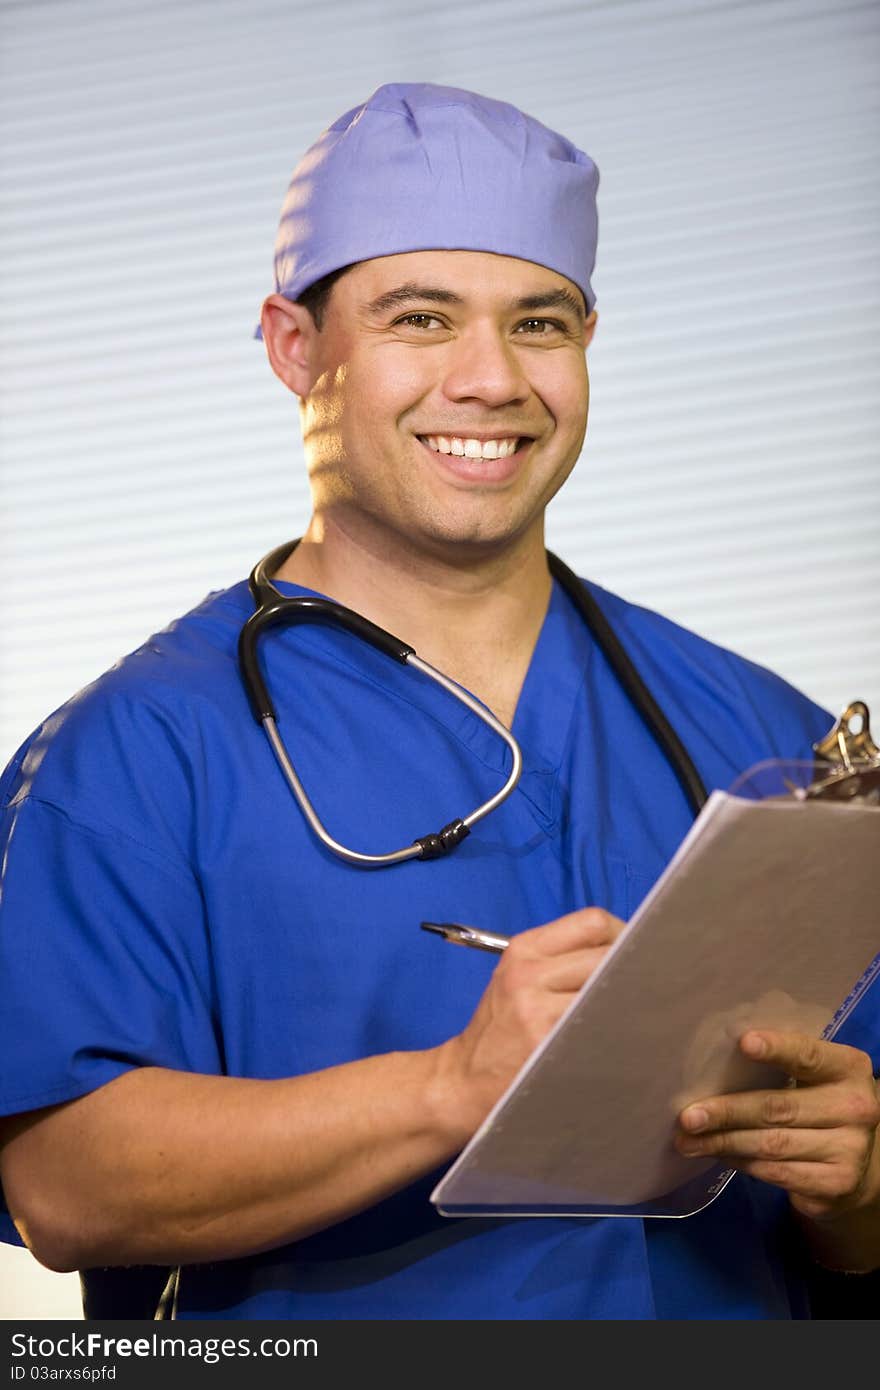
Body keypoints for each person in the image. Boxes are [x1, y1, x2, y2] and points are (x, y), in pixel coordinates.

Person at [0, 82, 878, 1322]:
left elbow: (858, 1207)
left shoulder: (769, 736)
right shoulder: (139, 750)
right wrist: (452, 1088)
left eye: (539, 323)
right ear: (296, 348)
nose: (490, 380)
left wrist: (856, 1191)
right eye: (420, 318)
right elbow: (61, 1187)